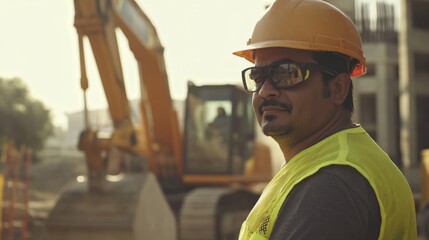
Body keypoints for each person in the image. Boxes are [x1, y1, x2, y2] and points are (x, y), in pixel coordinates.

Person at [233, 0, 417, 239]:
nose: (266, 90)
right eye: (258, 77)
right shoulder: (332, 164)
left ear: (338, 88)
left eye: (287, 73)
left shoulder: (331, 187)